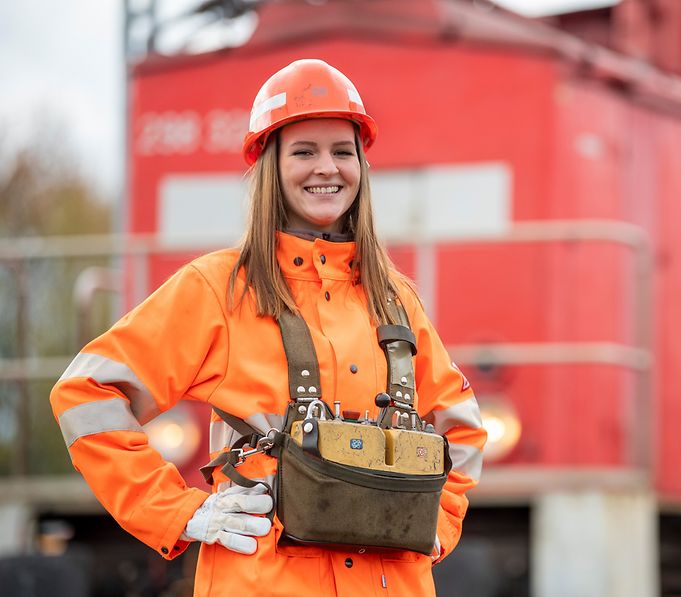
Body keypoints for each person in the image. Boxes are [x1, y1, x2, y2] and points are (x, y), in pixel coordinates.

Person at [50, 58, 486, 596]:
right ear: (269, 166)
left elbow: (460, 427)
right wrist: (178, 512)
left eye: (342, 151)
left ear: (361, 168)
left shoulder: (396, 302)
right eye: (304, 151)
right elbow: (85, 392)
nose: (326, 168)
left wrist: (436, 523)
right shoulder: (219, 289)